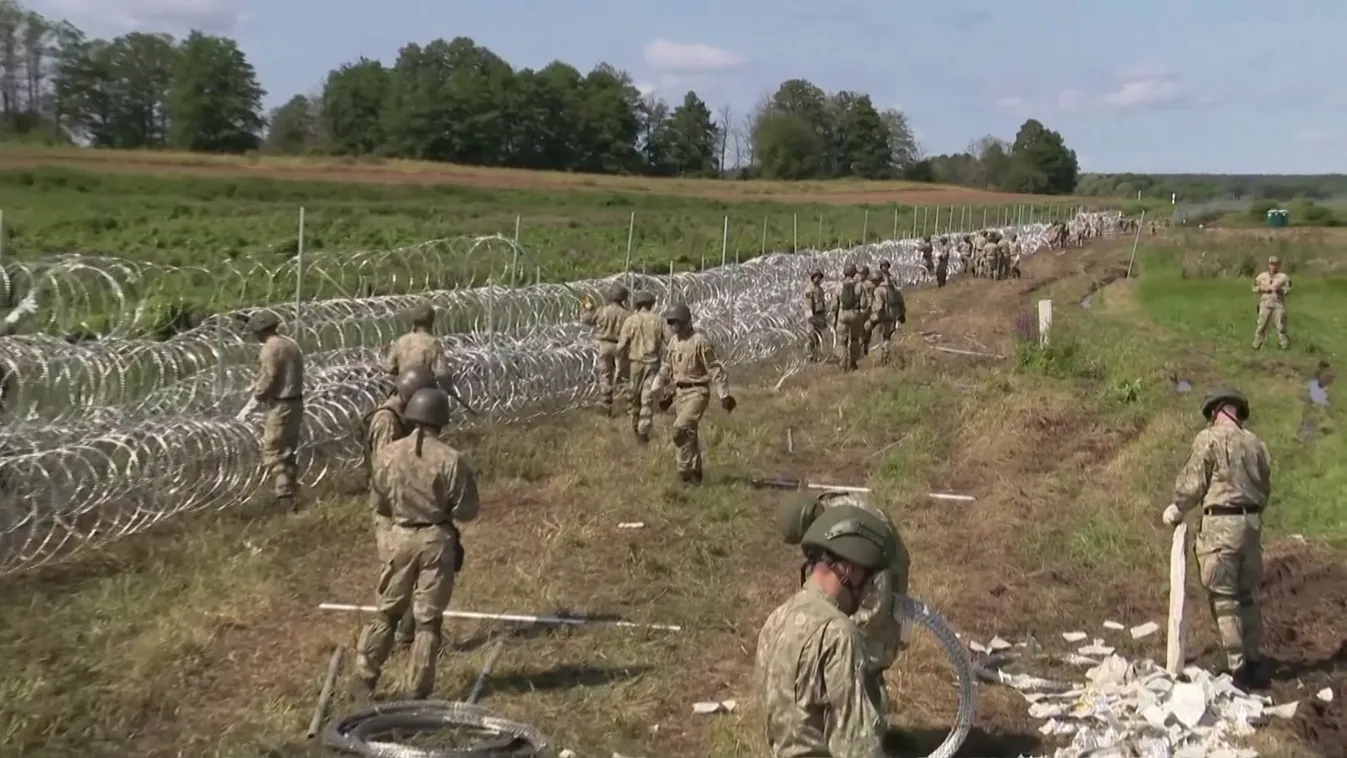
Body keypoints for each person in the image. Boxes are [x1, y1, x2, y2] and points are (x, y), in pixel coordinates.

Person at [352, 388, 480, 700]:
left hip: (400, 538)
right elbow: (467, 510)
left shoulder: (388, 454)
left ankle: (364, 678)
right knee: (427, 620)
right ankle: (417, 691)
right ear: (441, 419)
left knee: (387, 611)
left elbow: (379, 504)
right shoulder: (451, 459)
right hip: (436, 540)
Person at [755, 504, 894, 758]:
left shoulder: (776, 619)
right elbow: (856, 745)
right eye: (869, 578)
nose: (868, 590)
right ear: (850, 570)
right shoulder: (839, 634)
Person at [1163, 388, 1271, 689]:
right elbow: (1265, 487)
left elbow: (1192, 483)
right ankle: (1254, 660)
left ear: (1217, 412)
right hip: (1251, 526)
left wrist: (1178, 507)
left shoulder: (1208, 439)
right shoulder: (1257, 444)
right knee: (1247, 596)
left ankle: (1238, 669)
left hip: (1221, 526)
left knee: (1224, 599)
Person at [776, 492, 911, 700]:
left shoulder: (853, 531)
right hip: (868, 585)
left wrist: (843, 630)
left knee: (864, 664)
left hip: (881, 594)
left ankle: (868, 722)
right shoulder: (829, 517)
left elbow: (876, 604)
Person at [362, 366, 439, 648]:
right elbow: (385, 467)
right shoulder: (387, 420)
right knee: (395, 570)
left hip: (407, 502)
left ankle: (406, 633)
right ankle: (384, 637)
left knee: (413, 569)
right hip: (391, 506)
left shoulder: (406, 416)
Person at [649, 303, 735, 484]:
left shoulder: (699, 341)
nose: (671, 326)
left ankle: (684, 471)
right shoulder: (673, 342)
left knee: (679, 428)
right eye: (669, 322)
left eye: (674, 322)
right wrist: (660, 386)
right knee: (689, 434)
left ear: (684, 322)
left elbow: (714, 369)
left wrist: (724, 394)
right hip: (680, 393)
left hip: (698, 392)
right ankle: (695, 475)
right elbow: (668, 367)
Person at [237, 310, 304, 511]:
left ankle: (285, 498)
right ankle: (291, 490)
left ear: (259, 331)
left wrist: (252, 403)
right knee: (289, 449)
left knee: (274, 451)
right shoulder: (290, 344)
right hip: (296, 403)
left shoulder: (269, 349)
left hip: (281, 406)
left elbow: (268, 380)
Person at [381, 302, 475, 414]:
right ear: (431, 322)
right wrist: (448, 386)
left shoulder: (401, 341)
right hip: (423, 395)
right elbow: (441, 373)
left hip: (402, 390)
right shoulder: (432, 343)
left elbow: (388, 367)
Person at [616, 290, 665, 442]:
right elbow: (670, 341)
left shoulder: (631, 321)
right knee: (647, 398)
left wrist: (620, 365)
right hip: (653, 364)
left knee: (634, 396)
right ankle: (643, 431)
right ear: (651, 304)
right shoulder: (659, 320)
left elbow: (621, 346)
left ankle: (635, 426)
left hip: (635, 364)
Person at [581, 283, 632, 415]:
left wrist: (586, 308)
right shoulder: (627, 314)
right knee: (623, 376)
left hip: (604, 345)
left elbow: (586, 320)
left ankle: (606, 404)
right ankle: (629, 404)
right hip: (621, 346)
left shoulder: (602, 310)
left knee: (605, 375)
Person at [1251, 256, 1291, 350]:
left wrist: (1280, 290)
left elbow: (1289, 289)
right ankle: (1257, 344)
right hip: (1265, 304)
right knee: (1261, 325)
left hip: (1278, 304)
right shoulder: (1262, 276)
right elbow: (1254, 287)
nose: (1273, 266)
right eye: (1271, 264)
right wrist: (1262, 289)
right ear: (1269, 264)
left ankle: (1284, 345)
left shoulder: (1283, 277)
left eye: (1276, 264)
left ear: (1279, 265)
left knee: (1280, 325)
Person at [830, 264, 863, 372]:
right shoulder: (859, 286)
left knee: (842, 341)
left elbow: (834, 305)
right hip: (855, 314)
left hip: (842, 314)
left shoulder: (839, 286)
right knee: (854, 339)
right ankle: (853, 363)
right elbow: (864, 303)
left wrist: (834, 315)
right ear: (854, 273)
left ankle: (843, 364)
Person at [803, 270, 828, 362]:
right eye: (816, 276)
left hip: (819, 314)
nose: (818, 278)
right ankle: (809, 355)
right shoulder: (809, 289)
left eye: (819, 277)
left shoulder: (819, 289)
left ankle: (816, 355)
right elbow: (808, 305)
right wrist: (810, 317)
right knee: (811, 337)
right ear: (813, 277)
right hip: (813, 316)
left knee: (818, 337)